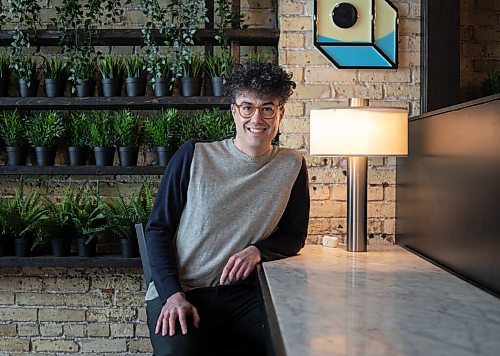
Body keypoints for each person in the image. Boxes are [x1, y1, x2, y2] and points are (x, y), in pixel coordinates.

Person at [144, 61, 310, 356]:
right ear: (234, 111)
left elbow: (294, 236)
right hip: (184, 291)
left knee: (296, 342)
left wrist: (258, 251)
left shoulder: (292, 165)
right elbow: (158, 229)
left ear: (280, 114)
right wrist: (172, 295)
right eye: (247, 107)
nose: (256, 118)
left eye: (267, 108)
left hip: (244, 295)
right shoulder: (194, 155)